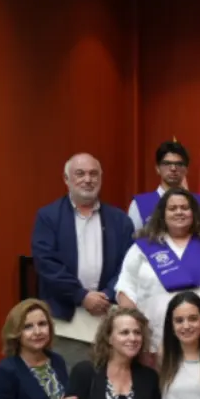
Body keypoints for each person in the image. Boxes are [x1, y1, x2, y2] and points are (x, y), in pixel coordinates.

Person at [31, 153, 135, 368]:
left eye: (93, 174)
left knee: (110, 384)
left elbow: (129, 265)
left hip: (109, 317)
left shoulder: (120, 220)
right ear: (66, 179)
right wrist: (82, 296)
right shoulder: (48, 217)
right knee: (72, 389)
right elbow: (46, 264)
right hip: (66, 321)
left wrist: (106, 294)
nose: (87, 179)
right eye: (80, 174)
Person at [115, 187, 200, 350]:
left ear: (194, 213)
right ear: (162, 214)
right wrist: (134, 329)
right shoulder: (142, 247)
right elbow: (126, 288)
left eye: (185, 208)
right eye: (172, 208)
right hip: (157, 342)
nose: (179, 212)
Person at [129, 140, 200, 230]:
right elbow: (133, 240)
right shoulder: (140, 204)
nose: (173, 168)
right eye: (167, 164)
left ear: (186, 169)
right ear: (157, 168)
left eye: (179, 164)